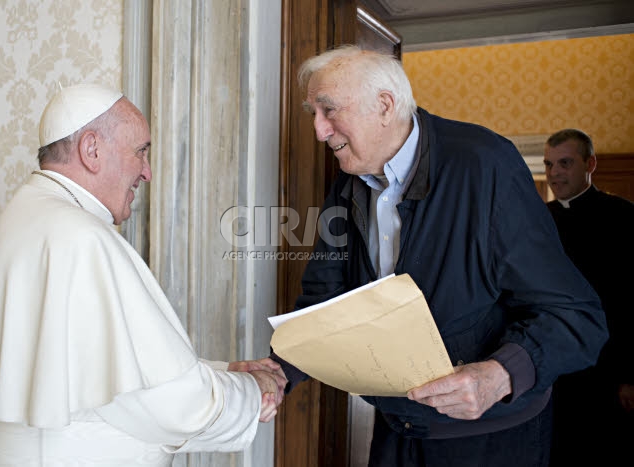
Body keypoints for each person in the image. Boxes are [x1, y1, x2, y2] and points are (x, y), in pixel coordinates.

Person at [270, 45, 608, 467]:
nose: (319, 130)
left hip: (492, 439)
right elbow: (325, 299)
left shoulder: (486, 165)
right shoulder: (348, 181)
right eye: (313, 113)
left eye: (329, 110)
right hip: (398, 429)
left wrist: (500, 375)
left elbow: (577, 317)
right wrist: (280, 370)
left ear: (385, 105)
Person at [0, 83, 286, 467]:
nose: (147, 172)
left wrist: (223, 370)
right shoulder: (81, 237)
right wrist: (252, 391)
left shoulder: (29, 213)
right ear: (92, 150)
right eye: (140, 151)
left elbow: (110, 370)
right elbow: (173, 407)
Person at [543, 129, 634, 467]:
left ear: (590, 164)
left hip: (607, 366)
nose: (554, 174)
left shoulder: (623, 216)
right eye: (549, 164)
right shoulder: (540, 220)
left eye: (564, 163)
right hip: (554, 363)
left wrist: (629, 375)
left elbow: (630, 301)